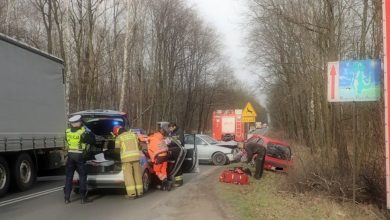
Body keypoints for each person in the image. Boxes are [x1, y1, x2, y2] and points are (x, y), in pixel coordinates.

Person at [64, 115, 95, 204]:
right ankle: (83, 198)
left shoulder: (67, 131)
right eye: (80, 121)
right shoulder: (82, 132)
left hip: (70, 155)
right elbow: (92, 141)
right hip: (79, 156)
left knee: (69, 177)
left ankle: (67, 198)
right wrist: (90, 132)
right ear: (78, 123)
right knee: (82, 176)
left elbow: (67, 140)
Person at [113, 126, 143, 198]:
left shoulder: (119, 137)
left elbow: (117, 150)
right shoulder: (134, 135)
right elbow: (140, 146)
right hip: (136, 157)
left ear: (117, 132)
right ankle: (140, 192)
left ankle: (132, 194)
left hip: (126, 159)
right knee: (138, 174)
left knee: (128, 175)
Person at [148, 123, 172, 191]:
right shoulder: (160, 137)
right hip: (165, 156)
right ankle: (165, 186)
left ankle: (166, 182)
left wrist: (153, 160)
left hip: (159, 157)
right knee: (163, 170)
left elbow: (150, 151)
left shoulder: (151, 139)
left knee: (156, 171)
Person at [167, 122, 184, 187]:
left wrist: (171, 142)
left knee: (177, 165)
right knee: (172, 165)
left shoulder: (180, 132)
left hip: (178, 150)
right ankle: (170, 178)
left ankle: (179, 182)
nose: (170, 129)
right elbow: (169, 139)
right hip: (172, 150)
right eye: (169, 128)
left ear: (174, 127)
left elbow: (180, 142)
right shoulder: (171, 132)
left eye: (170, 128)